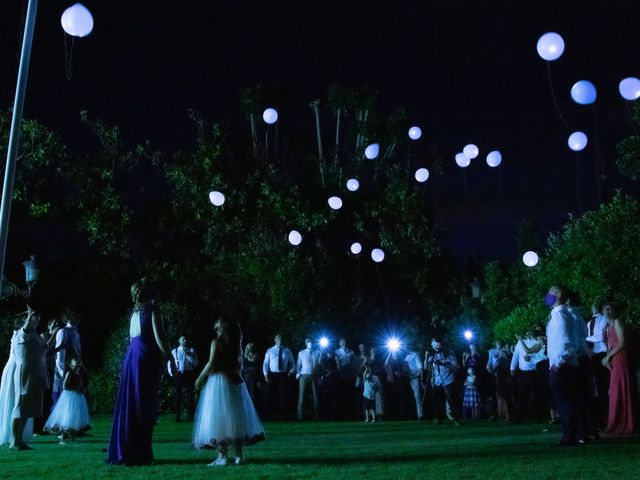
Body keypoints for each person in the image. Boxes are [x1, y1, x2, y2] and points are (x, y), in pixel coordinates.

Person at [108, 279, 176, 465]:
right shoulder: (153, 310)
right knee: (145, 404)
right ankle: (141, 452)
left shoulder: (134, 313)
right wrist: (171, 359)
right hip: (146, 358)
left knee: (132, 403)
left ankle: (131, 449)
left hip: (132, 358)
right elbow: (160, 338)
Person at [193, 318, 265, 466]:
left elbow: (211, 363)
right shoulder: (236, 344)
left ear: (221, 328)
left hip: (219, 381)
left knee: (219, 417)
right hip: (235, 381)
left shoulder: (216, 343)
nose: (215, 326)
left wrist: (200, 378)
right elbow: (240, 365)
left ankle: (222, 456)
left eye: (217, 324)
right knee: (235, 417)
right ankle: (239, 456)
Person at [545, 285, 580, 446]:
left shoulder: (560, 316)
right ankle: (572, 434)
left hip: (562, 366)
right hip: (566, 365)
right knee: (569, 401)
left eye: (551, 293)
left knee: (564, 402)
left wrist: (558, 363)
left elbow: (566, 342)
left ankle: (569, 436)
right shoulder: (562, 315)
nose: (548, 296)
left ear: (558, 295)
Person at [11, 305, 49, 450]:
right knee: (20, 407)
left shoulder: (36, 335)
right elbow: (26, 329)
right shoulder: (21, 333)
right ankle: (15, 441)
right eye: (34, 317)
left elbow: (46, 349)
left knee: (28, 410)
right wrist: (29, 315)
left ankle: (20, 439)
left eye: (37, 317)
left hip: (36, 375)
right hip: (25, 375)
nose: (36, 320)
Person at [0, 317, 34, 446]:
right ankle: (13, 436)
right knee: (15, 401)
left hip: (20, 368)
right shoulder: (19, 334)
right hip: (15, 369)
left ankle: (19, 436)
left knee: (21, 403)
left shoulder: (29, 335)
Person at [602, 302, 634, 435]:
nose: (607, 311)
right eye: (605, 309)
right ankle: (615, 421)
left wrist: (608, 356)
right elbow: (609, 345)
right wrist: (607, 359)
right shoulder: (606, 328)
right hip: (613, 359)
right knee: (613, 390)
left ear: (615, 311)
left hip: (620, 357)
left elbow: (622, 342)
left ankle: (622, 423)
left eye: (610, 309)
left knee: (619, 389)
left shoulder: (617, 322)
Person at [44, 358, 90, 444]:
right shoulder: (69, 373)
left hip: (78, 397)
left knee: (75, 416)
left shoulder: (79, 374)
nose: (78, 365)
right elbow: (65, 386)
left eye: (79, 364)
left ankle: (71, 435)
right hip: (70, 397)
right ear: (71, 365)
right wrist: (76, 389)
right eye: (76, 364)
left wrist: (82, 389)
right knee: (69, 416)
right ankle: (64, 435)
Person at [425, 336, 460, 425]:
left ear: (442, 343)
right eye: (435, 343)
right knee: (436, 400)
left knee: (451, 400)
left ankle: (456, 419)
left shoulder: (450, 352)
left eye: (439, 343)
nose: (437, 345)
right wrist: (426, 357)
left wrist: (443, 364)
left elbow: (456, 367)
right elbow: (426, 367)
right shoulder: (433, 353)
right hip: (437, 380)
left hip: (448, 379)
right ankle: (439, 418)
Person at [586, 302, 609, 429]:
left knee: (604, 385)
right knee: (597, 387)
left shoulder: (603, 319)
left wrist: (588, 339)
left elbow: (601, 336)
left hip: (603, 353)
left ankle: (605, 415)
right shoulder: (589, 323)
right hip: (593, 355)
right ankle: (599, 416)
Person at [52, 309, 81, 407]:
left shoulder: (76, 334)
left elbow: (78, 353)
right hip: (63, 371)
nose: (78, 319)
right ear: (70, 317)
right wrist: (61, 372)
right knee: (60, 400)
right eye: (75, 316)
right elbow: (60, 354)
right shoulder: (63, 331)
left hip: (73, 370)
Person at [510, 331, 542, 422]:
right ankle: (520, 416)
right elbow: (516, 355)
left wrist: (531, 359)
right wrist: (512, 367)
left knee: (536, 395)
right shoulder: (520, 342)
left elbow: (541, 357)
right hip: (522, 373)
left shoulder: (537, 342)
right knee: (522, 395)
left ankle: (539, 416)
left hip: (534, 372)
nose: (528, 333)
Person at [262, 334, 295, 420]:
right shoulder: (270, 350)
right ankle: (266, 415)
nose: (280, 340)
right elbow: (265, 363)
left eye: (281, 338)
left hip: (283, 375)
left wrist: (291, 372)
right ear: (275, 339)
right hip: (272, 374)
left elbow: (292, 363)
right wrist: (265, 374)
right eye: (278, 338)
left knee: (282, 395)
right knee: (268, 394)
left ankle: (282, 415)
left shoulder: (287, 351)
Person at [168, 335, 199, 422]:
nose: (185, 341)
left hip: (189, 374)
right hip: (178, 374)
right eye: (183, 339)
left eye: (186, 339)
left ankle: (191, 416)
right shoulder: (175, 351)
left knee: (190, 395)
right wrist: (172, 374)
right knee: (178, 395)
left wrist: (188, 355)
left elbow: (196, 363)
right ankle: (178, 416)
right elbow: (170, 363)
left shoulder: (191, 350)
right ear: (179, 340)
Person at [486, 340, 511, 420]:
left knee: (504, 393)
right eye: (498, 343)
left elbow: (508, 362)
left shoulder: (505, 351)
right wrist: (491, 371)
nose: (499, 344)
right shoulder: (492, 351)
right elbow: (489, 364)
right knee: (495, 394)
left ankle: (506, 413)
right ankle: (497, 413)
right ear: (495, 344)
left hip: (503, 374)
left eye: (500, 343)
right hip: (495, 374)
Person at [296, 338, 319, 421]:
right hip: (304, 375)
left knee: (315, 396)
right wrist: (298, 374)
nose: (310, 343)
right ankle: (300, 416)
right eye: (308, 342)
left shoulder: (316, 352)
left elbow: (319, 364)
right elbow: (298, 364)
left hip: (314, 375)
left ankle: (316, 416)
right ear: (305, 343)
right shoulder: (301, 353)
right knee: (301, 396)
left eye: (311, 341)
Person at [334, 338, 356, 419]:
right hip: (342, 374)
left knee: (350, 394)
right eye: (341, 341)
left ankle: (351, 414)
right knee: (342, 393)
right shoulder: (336, 351)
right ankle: (342, 414)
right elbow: (337, 364)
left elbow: (353, 363)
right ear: (339, 343)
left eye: (344, 340)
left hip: (349, 374)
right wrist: (339, 373)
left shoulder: (351, 351)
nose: (343, 342)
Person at [404, 345, 424, 420]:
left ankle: (420, 415)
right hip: (408, 378)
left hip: (415, 377)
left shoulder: (415, 354)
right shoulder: (406, 356)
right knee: (411, 397)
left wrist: (422, 376)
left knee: (417, 396)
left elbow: (420, 366)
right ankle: (413, 414)